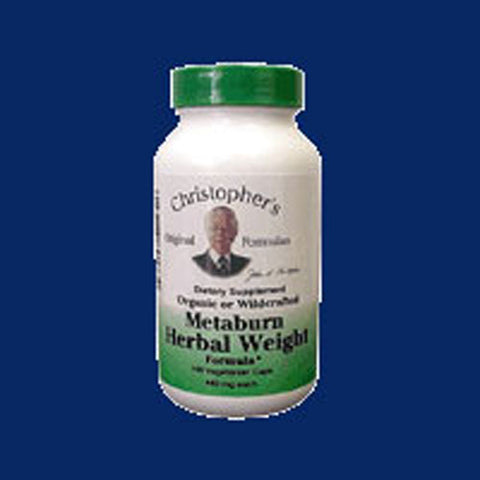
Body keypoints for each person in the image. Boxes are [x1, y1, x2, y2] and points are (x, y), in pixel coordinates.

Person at [193, 206, 250, 277]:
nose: (220, 233)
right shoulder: (195, 263)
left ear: (235, 232)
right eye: (214, 228)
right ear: (207, 231)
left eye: (225, 228)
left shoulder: (245, 264)